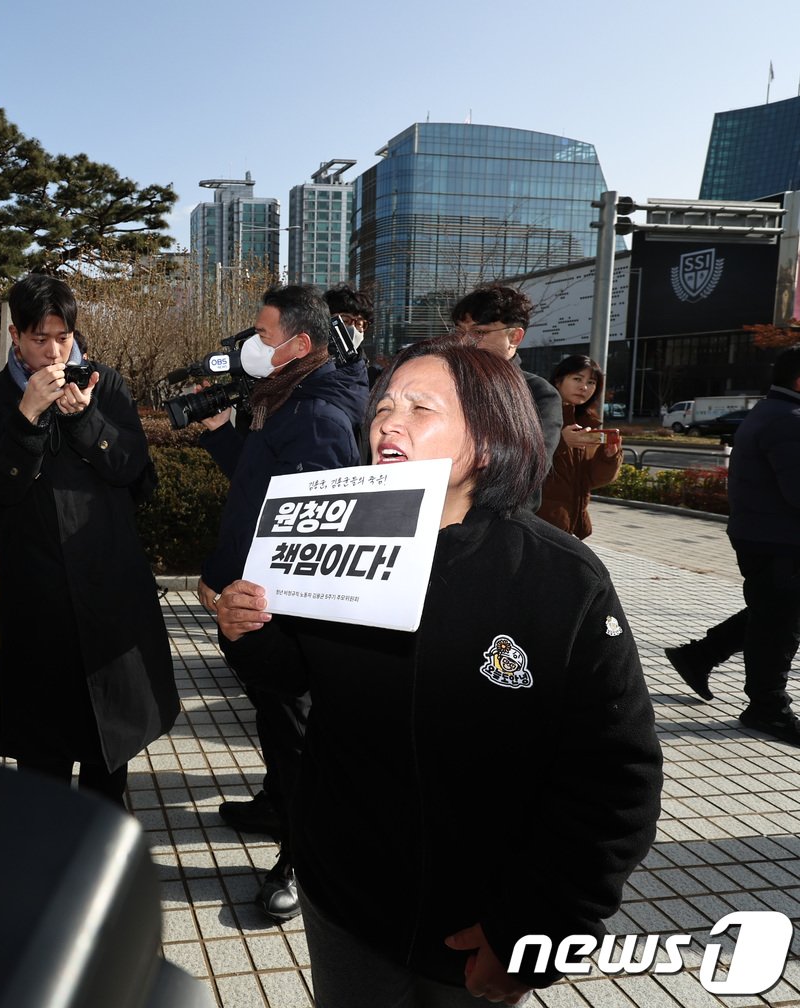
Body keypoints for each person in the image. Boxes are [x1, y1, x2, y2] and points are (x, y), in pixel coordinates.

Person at [215, 337, 661, 1006]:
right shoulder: (339, 540)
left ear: (488, 440)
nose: (388, 422)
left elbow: (614, 778)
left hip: (480, 923)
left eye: (421, 408)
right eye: (384, 406)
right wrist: (247, 631)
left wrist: (534, 930)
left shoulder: (559, 579)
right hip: (343, 900)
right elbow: (294, 675)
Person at [0, 273, 176, 806]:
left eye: (63, 336)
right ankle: (46, 851)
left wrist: (86, 419)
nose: (54, 351)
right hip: (39, 593)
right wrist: (28, 416)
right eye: (40, 338)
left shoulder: (106, 383)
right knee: (45, 749)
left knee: (110, 742)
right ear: (15, 336)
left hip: (108, 581)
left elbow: (135, 471)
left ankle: (101, 848)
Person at [196, 284, 369, 921]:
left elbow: (313, 534)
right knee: (276, 723)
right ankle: (277, 806)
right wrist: (221, 432)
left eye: (263, 335)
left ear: (300, 343)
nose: (253, 346)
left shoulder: (318, 415)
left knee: (300, 737)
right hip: (253, 604)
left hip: (282, 616)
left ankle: (301, 858)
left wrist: (236, 589)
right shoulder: (287, 399)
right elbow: (260, 482)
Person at [665, 347, 800, 746]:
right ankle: (767, 707)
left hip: (767, 535)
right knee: (780, 625)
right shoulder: (789, 421)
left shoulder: (774, 412)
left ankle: (699, 656)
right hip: (779, 539)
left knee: (773, 611)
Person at [452, 284, 562, 511]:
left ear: (514, 337)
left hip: (502, 523)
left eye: (478, 332)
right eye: (460, 332)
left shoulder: (539, 395)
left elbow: (528, 467)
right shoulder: (446, 385)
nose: (464, 342)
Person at [536, 354, 622, 538]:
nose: (584, 387)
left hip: (572, 525)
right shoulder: (537, 412)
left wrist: (608, 458)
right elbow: (522, 460)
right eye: (577, 379)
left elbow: (591, 480)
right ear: (558, 381)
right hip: (539, 524)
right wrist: (560, 441)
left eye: (591, 382)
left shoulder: (587, 423)